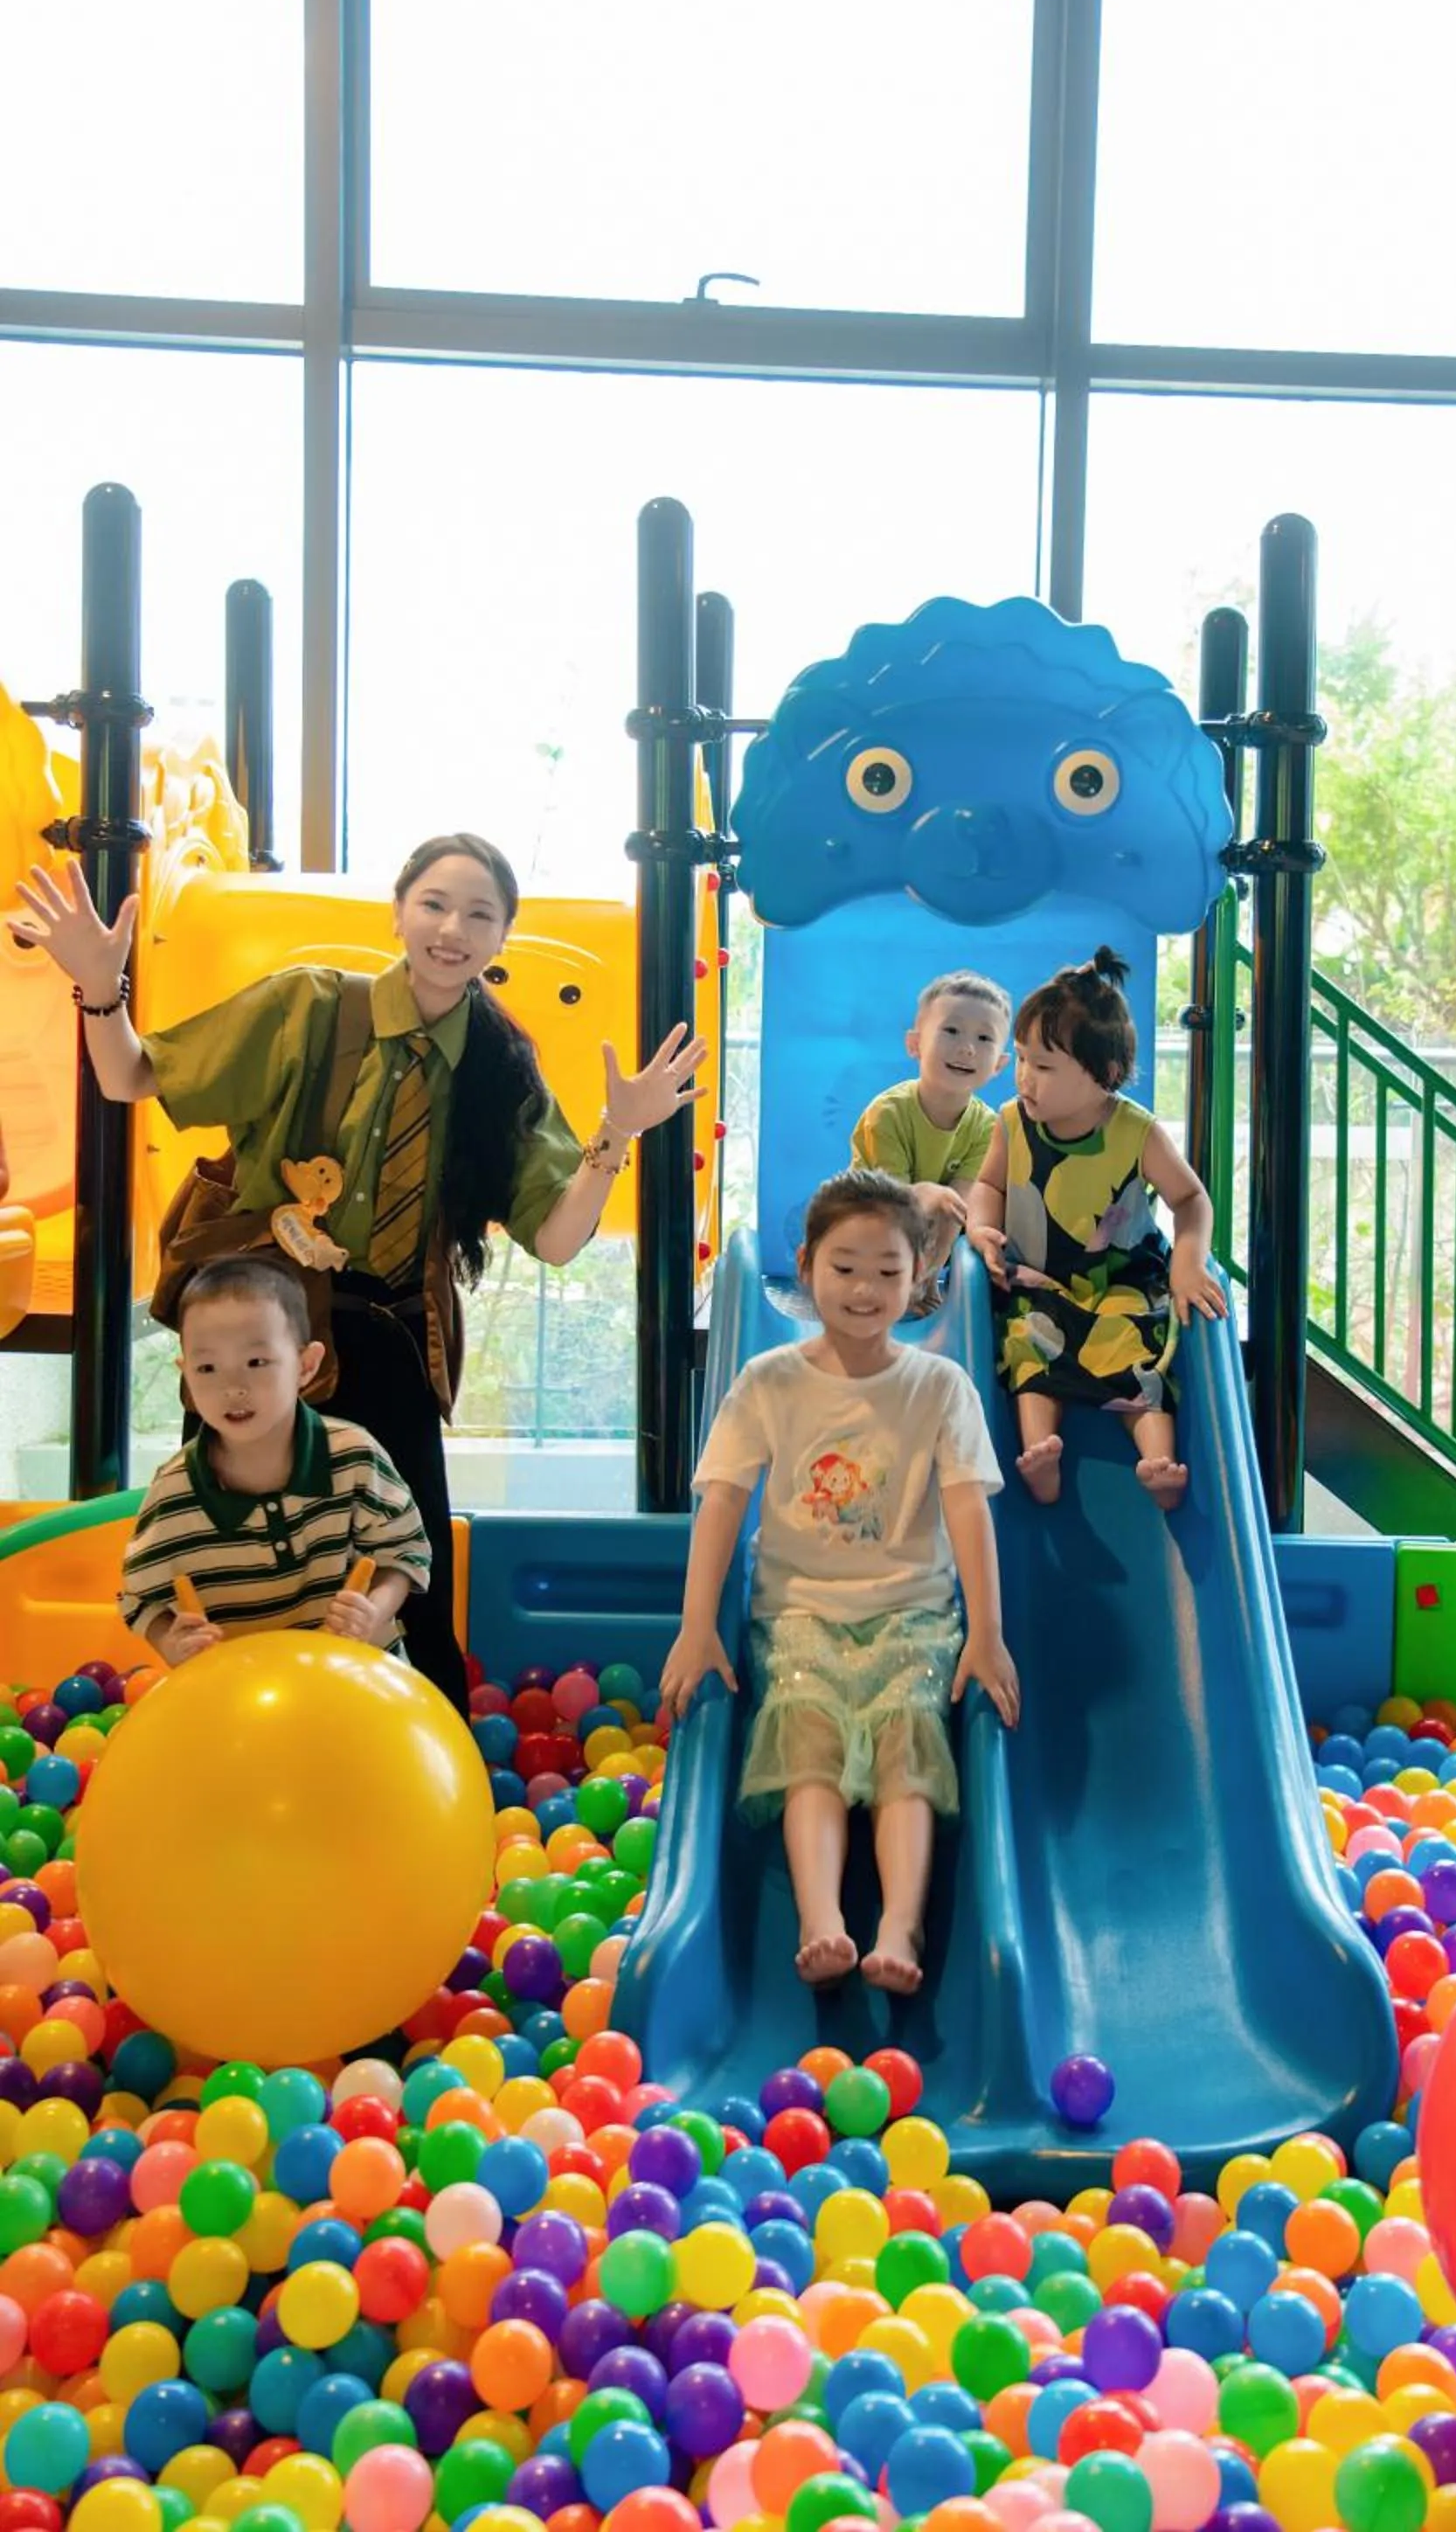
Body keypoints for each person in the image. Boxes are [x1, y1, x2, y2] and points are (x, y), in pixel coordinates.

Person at [10, 832, 705, 1710]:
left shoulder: (496, 1071)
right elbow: (128, 1076)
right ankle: (228, 1727)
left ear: (501, 940)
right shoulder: (306, 1010)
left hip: (386, 1332)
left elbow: (559, 1238)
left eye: (479, 915)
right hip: (257, 1324)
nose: (452, 929)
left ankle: (434, 1754)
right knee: (224, 1547)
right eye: (434, 904)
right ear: (398, 912)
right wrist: (100, 990)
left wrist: (617, 1136)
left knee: (410, 1567)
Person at [660, 1169, 1019, 1996]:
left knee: (907, 1751)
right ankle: (821, 1918)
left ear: (921, 1278)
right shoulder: (771, 1384)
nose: (866, 1289)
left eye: (890, 1272)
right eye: (846, 1267)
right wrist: (695, 1625)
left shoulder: (939, 1387)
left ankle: (900, 1922)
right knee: (807, 1740)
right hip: (799, 1615)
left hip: (914, 1617)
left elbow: (969, 1514)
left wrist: (988, 1635)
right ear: (806, 1266)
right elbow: (721, 1505)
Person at [966, 946, 1226, 1509]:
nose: (1026, 1078)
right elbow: (989, 1187)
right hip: (1040, 1282)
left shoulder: (1135, 1131)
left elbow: (1190, 1199)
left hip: (1121, 1283)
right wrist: (981, 1228)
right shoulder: (1011, 1124)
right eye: (1022, 1059)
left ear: (1105, 1076)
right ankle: (1042, 1455)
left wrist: (1188, 1261)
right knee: (1026, 1347)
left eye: (1045, 1065)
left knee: (1140, 1347)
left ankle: (1157, 1462)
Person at [120, 1258, 430, 1662]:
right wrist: (171, 1643)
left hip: (356, 1687)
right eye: (207, 1367)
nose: (232, 1387)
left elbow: (404, 1554)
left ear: (306, 1365)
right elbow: (140, 1599)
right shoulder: (174, 1489)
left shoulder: (354, 1457)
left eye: (256, 1363)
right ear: (186, 1376)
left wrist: (373, 1613)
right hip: (242, 1699)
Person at [850, 971, 1010, 1306]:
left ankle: (922, 1281)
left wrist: (928, 1271)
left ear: (999, 1064)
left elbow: (961, 1207)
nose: (967, 1048)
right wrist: (926, 1193)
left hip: (930, 1236)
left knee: (950, 1204)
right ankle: (899, 1279)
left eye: (984, 1039)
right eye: (951, 1031)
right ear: (915, 1044)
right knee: (935, 1198)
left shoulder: (988, 1127)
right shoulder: (889, 1113)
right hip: (870, 1224)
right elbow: (890, 1204)